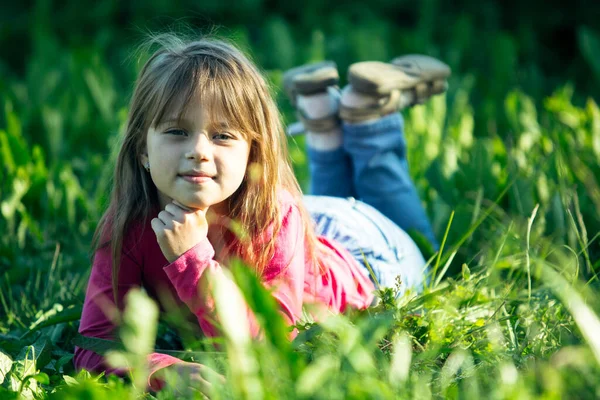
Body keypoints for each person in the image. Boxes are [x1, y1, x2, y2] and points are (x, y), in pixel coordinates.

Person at [74, 34, 450, 391]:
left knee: (426, 250)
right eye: (176, 131)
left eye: (222, 136)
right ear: (142, 148)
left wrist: (192, 260)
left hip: (372, 257)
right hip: (312, 228)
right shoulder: (129, 222)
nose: (199, 151)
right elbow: (93, 346)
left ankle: (372, 125)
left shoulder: (275, 214)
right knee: (322, 205)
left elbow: (268, 350)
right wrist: (164, 372)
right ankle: (325, 118)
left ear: (252, 152)